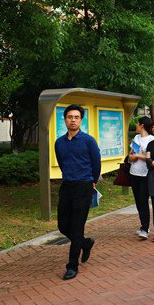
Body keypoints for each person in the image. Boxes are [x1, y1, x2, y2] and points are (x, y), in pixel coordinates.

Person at [54, 104, 101, 280]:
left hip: (84, 186)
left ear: (81, 120)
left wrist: (92, 182)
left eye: (76, 117)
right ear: (64, 119)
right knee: (62, 226)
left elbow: (96, 164)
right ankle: (85, 243)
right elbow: (62, 162)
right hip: (67, 186)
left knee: (76, 226)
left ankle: (72, 266)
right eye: (69, 117)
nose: (73, 120)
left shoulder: (88, 141)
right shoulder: (59, 142)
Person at [128, 116, 154, 239]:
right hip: (134, 173)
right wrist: (132, 156)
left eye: (137, 124)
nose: (136, 126)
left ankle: (145, 228)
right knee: (138, 202)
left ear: (142, 125)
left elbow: (152, 159)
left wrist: (138, 156)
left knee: (143, 201)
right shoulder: (136, 138)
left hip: (145, 174)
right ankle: (143, 226)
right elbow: (131, 153)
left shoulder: (152, 140)